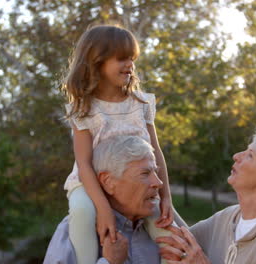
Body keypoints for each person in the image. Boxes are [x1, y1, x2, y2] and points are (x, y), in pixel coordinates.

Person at [61, 24, 174, 264]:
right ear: (97, 62)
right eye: (121, 59)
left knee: (168, 230)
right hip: (89, 182)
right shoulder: (84, 109)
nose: (130, 65)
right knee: (82, 212)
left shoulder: (141, 103)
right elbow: (83, 163)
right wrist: (102, 208)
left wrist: (166, 197)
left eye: (132, 59)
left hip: (136, 185)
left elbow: (157, 153)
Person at [157, 125, 256, 264]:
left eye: (250, 155)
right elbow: (180, 238)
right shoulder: (227, 218)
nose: (236, 156)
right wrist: (161, 196)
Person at [44, 136, 186, 264]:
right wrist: (109, 262)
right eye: (145, 173)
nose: (159, 182)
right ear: (108, 181)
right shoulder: (75, 230)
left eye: (155, 171)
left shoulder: (164, 229)